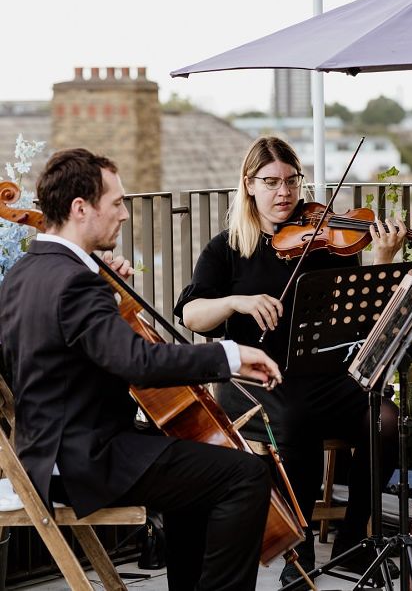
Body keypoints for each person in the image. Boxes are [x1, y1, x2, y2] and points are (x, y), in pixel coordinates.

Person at [0, 148, 283, 591]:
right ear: (80, 209)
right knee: (245, 474)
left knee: (199, 469)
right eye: (116, 203)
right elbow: (138, 362)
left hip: (50, 452)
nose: (126, 214)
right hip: (85, 459)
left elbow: (64, 352)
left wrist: (105, 291)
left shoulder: (26, 274)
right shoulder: (75, 282)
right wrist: (229, 355)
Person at [174, 136, 406, 585]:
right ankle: (299, 558)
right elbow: (191, 313)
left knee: (385, 421)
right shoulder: (227, 249)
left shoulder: (325, 244)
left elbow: (363, 315)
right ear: (249, 184)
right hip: (255, 378)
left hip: (324, 374)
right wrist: (236, 302)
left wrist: (382, 258)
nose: (284, 192)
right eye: (271, 182)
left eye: (292, 181)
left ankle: (353, 544)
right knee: (299, 420)